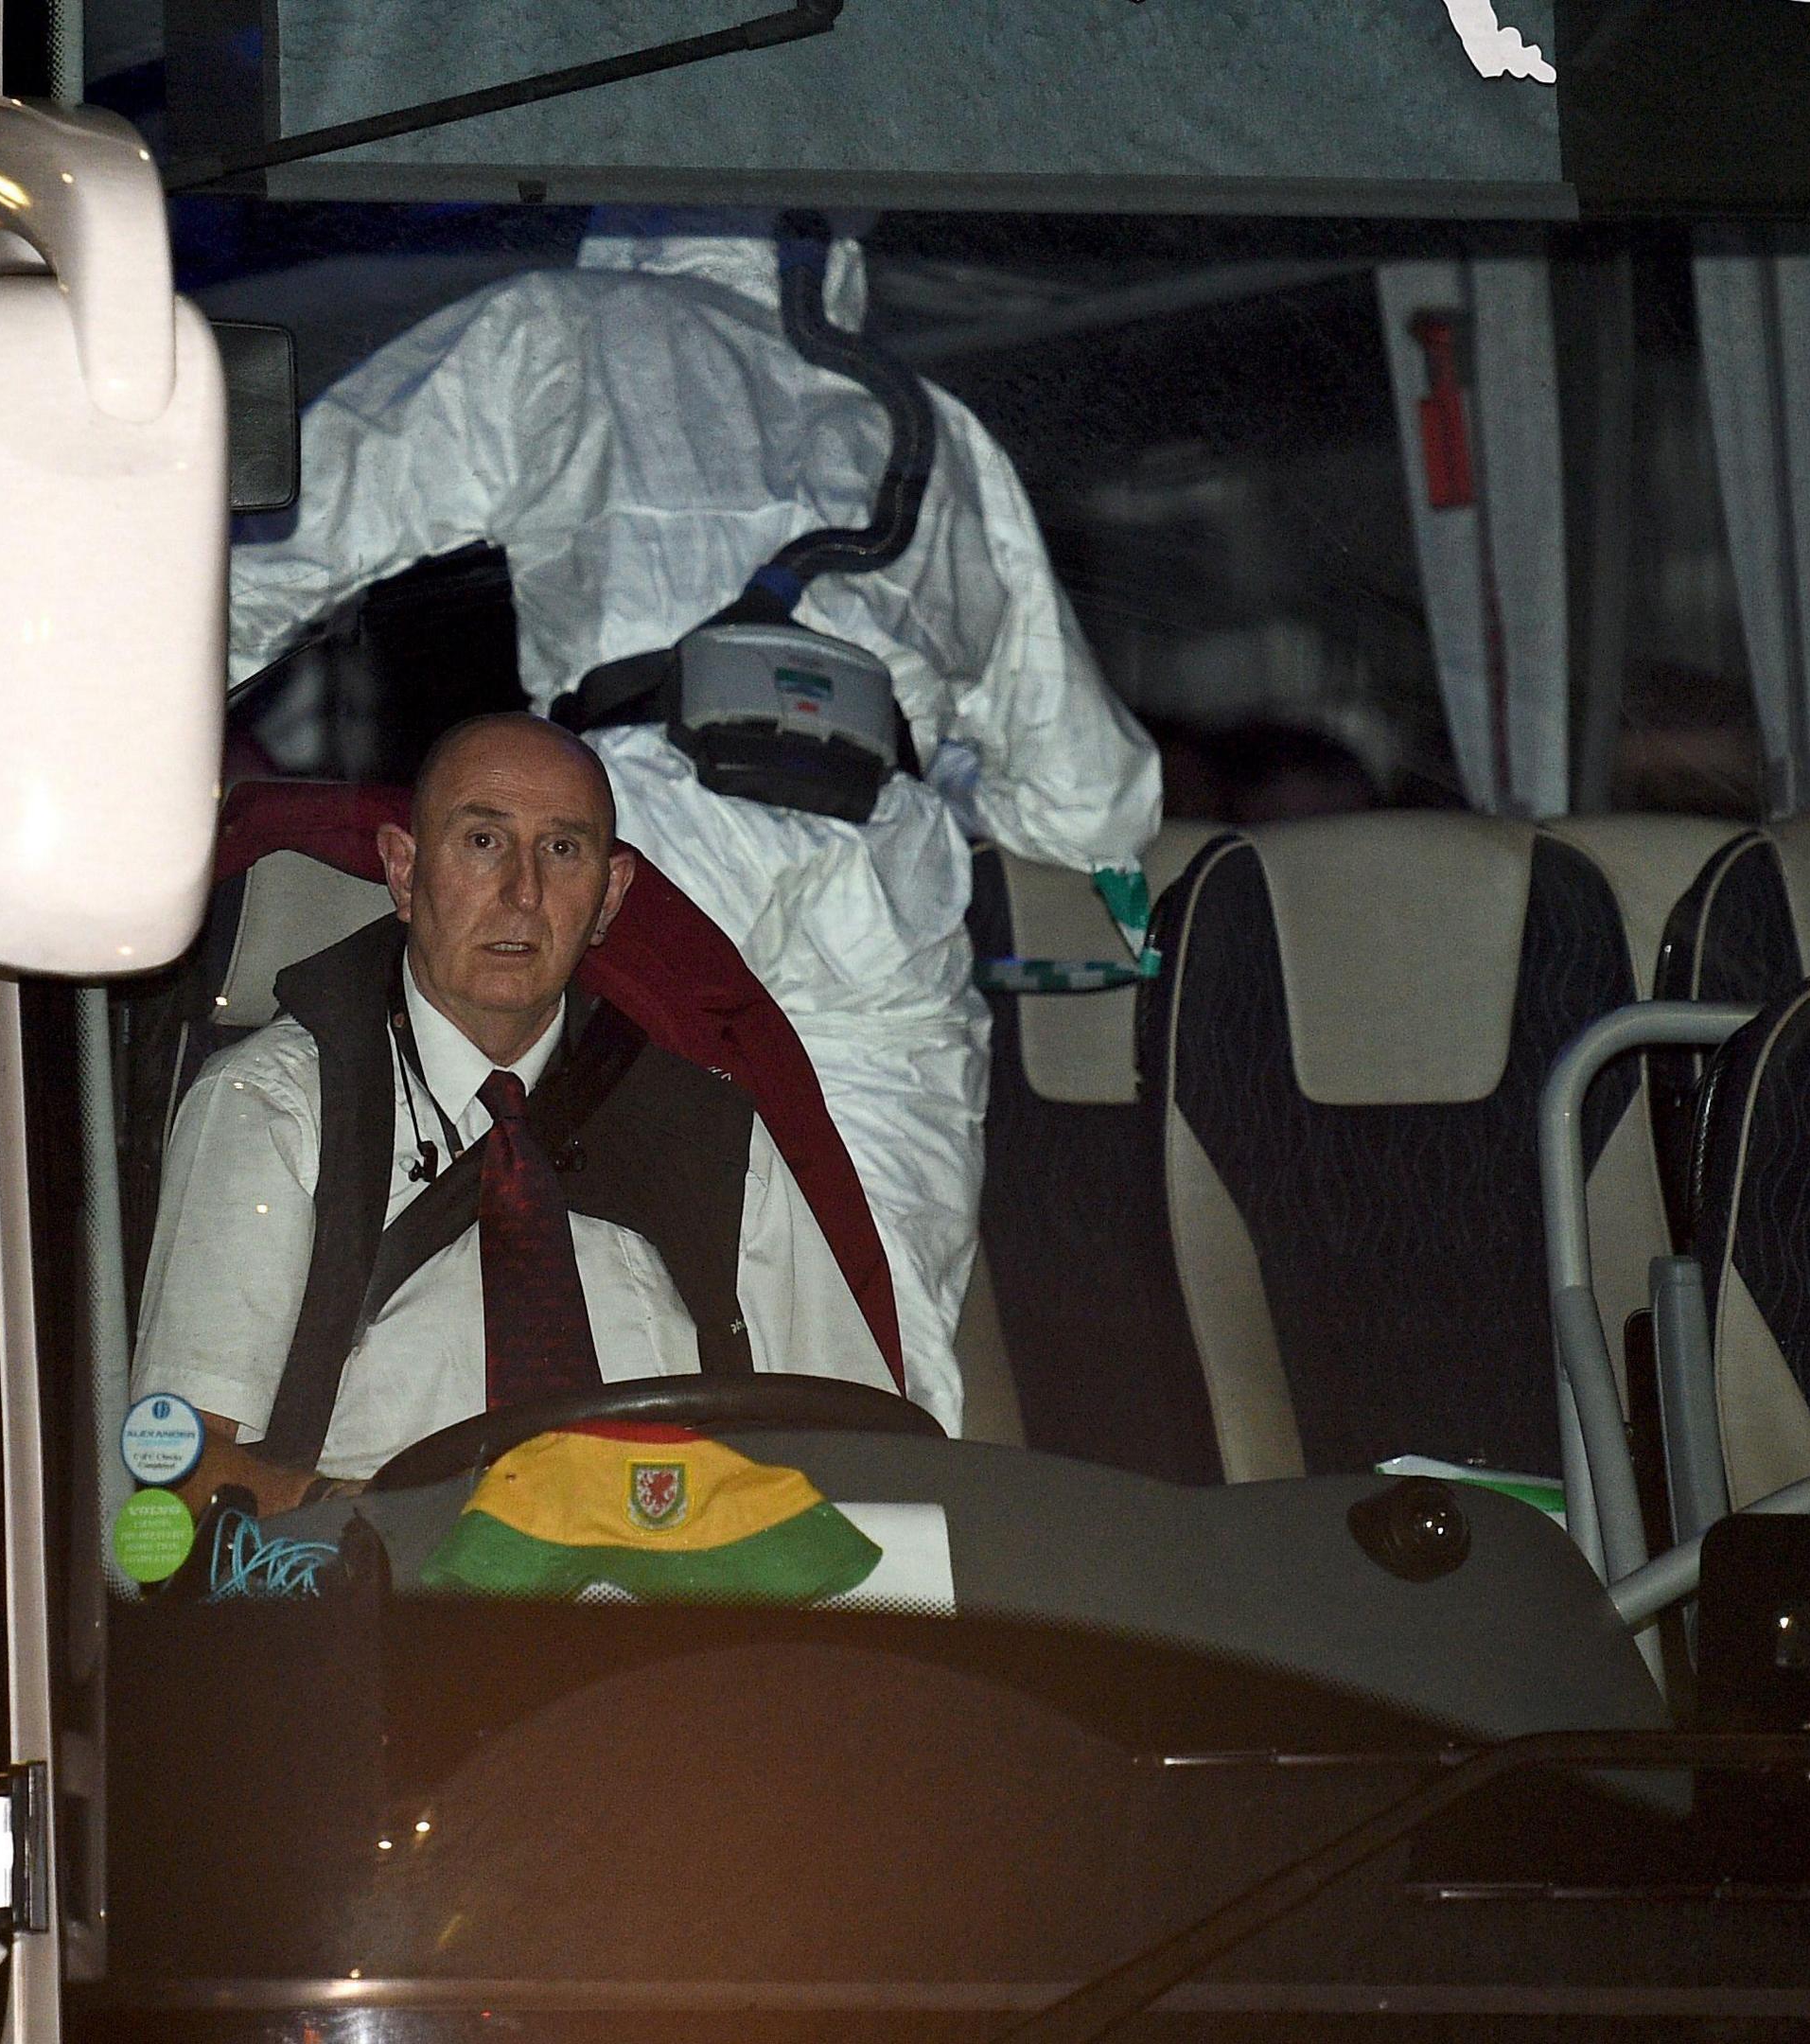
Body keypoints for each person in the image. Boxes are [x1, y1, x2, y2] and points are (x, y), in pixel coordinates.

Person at [228, 209, 1161, 1410]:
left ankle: (617, 1576)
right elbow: (1092, 799)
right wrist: (948, 787)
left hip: (655, 856)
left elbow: (287, 541)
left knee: (623, 1279)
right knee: (878, 1328)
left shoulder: (560, 331)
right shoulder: (929, 429)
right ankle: (872, 1584)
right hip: (883, 889)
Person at [132, 714, 910, 1510]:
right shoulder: (274, 1108)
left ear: (610, 898)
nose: (523, 892)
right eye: (483, 842)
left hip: (680, 1608)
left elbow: (864, 1462)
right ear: (403, 870)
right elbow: (176, 1474)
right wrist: (379, 1527)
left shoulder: (712, 1137)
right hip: (379, 1608)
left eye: (563, 850)